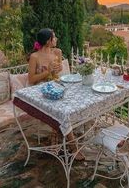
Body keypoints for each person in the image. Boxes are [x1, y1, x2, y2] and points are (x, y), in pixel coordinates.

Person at [28, 28, 85, 161]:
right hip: (41, 90)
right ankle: (74, 148)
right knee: (62, 111)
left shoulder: (57, 52)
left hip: (56, 86)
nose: (57, 39)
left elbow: (57, 73)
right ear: (48, 41)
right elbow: (31, 80)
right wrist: (48, 72)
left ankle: (55, 136)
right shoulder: (34, 57)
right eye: (54, 37)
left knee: (72, 102)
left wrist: (59, 69)